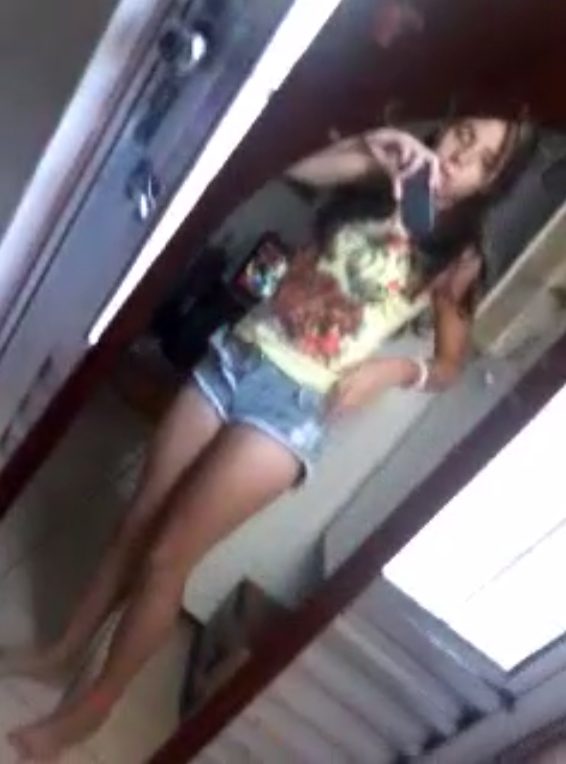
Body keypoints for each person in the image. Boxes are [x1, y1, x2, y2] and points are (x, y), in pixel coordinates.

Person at [6, 117, 535, 760]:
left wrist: (395, 370)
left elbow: (449, 365)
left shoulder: (458, 253)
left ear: (492, 181)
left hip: (293, 410)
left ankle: (89, 713)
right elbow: (293, 167)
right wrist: (374, 148)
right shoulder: (381, 177)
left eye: (483, 160)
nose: (458, 158)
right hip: (237, 356)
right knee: (135, 522)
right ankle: (62, 654)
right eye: (463, 136)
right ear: (448, 127)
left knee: (166, 558)